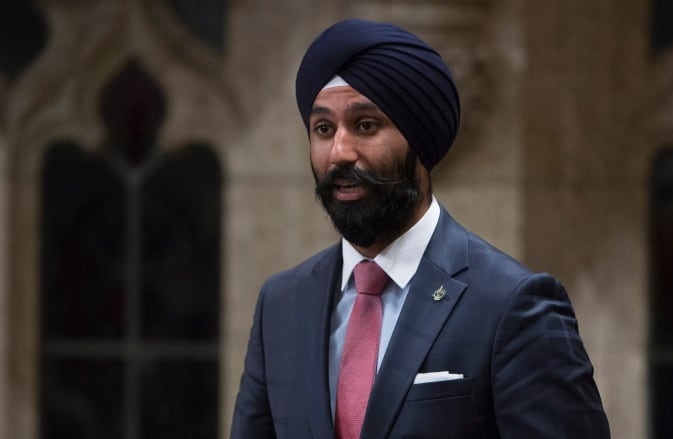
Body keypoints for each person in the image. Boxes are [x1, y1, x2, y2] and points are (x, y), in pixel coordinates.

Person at [230, 18, 610, 439]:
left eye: (365, 126)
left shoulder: (513, 306)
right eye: (323, 129)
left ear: (418, 140)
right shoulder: (281, 305)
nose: (339, 152)